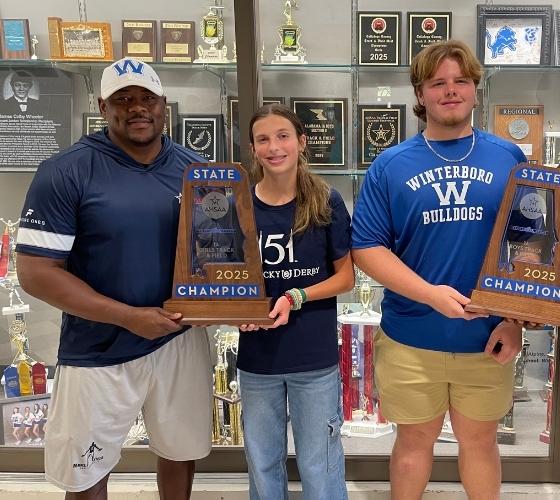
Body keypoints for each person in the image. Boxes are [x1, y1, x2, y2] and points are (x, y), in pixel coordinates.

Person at [15, 57, 212, 499]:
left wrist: (219, 301)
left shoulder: (196, 170)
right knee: (85, 470)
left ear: (165, 106)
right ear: (103, 106)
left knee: (180, 452)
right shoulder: (65, 170)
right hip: (97, 347)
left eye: (147, 98)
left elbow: (217, 256)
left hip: (177, 339)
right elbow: (35, 274)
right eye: (123, 100)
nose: (137, 108)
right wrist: (127, 316)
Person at [351, 40, 528, 498]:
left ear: (475, 90)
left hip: (487, 339)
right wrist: (430, 294)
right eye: (438, 83)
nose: (451, 91)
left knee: (481, 443)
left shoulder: (508, 157)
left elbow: (527, 246)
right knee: (412, 442)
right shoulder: (390, 165)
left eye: (460, 82)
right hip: (411, 337)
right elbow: (367, 248)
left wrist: (514, 321)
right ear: (421, 93)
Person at [237, 103, 353, 500]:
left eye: (283, 136)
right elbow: (224, 278)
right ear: (252, 149)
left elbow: (346, 277)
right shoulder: (238, 207)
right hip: (257, 360)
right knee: (263, 463)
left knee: (320, 464)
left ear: (302, 142)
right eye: (263, 139)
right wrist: (236, 312)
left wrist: (295, 295)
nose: (274, 147)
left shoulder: (326, 202)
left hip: (313, 360)